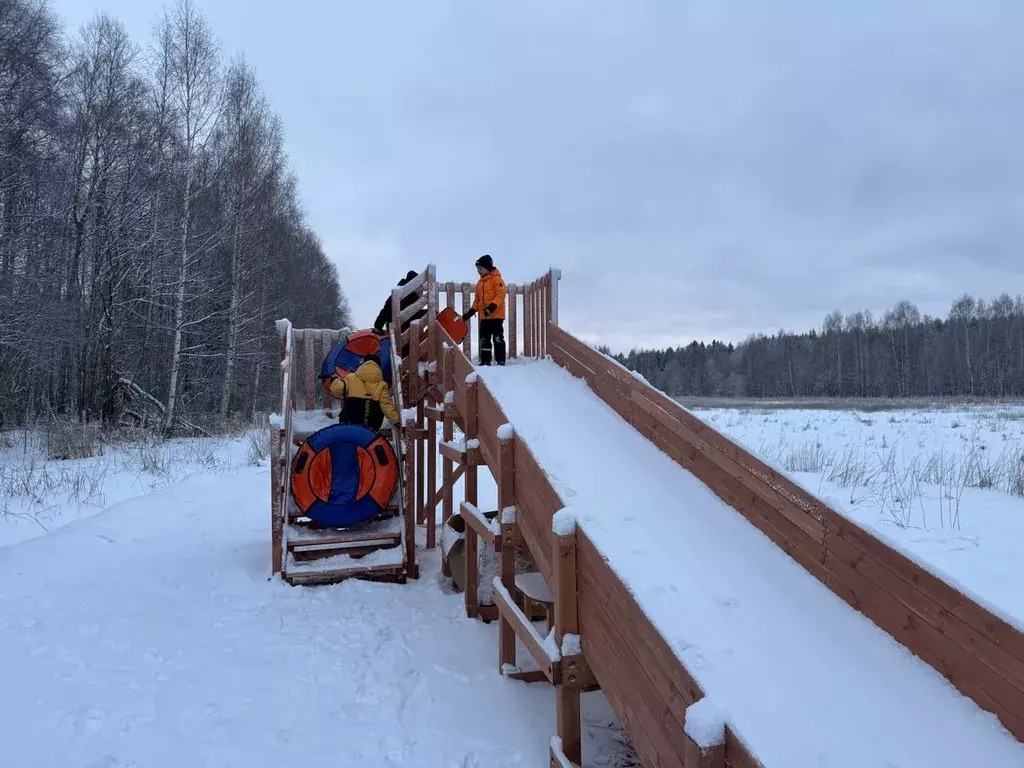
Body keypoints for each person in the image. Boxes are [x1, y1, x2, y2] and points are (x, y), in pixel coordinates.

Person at [329, 353, 401, 429]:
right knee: (367, 439)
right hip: (371, 426)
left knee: (349, 440)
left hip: (350, 423)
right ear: (378, 366)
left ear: (363, 364)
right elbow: (386, 405)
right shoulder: (381, 385)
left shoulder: (351, 378)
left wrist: (334, 381)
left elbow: (337, 390)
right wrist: (396, 420)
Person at [461, 254, 507, 366]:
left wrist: (491, 307)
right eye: (477, 269)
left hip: (496, 316)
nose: (478, 271)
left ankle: (500, 360)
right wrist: (471, 311)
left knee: (498, 338)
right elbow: (477, 300)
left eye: (480, 268)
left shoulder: (497, 280)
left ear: (487, 267)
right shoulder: (480, 283)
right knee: (484, 339)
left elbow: (500, 295)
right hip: (484, 317)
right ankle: (485, 361)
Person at [373, 270, 426, 336]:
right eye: (418, 284)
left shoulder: (412, 295)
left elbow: (413, 312)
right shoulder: (399, 294)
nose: (419, 287)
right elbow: (387, 309)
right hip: (398, 328)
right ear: (413, 283)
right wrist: (378, 326)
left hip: (404, 328)